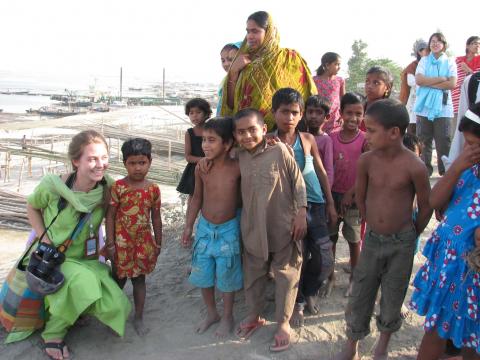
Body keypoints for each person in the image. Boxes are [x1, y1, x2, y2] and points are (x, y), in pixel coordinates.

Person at [335, 99, 432, 360]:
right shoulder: (366, 161)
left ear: (394, 133)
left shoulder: (415, 166)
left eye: (372, 130)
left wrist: (411, 233)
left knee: (393, 294)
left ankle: (382, 345)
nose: (366, 135)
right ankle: (352, 343)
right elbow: (362, 196)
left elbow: (426, 206)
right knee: (361, 293)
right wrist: (371, 225)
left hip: (402, 243)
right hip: (373, 240)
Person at [25, 130, 131, 360]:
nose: (99, 164)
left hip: (87, 259)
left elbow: (127, 208)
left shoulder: (108, 187)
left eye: (104, 157)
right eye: (92, 158)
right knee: (86, 283)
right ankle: (53, 334)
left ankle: (75, 309)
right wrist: (44, 237)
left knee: (119, 306)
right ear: (75, 161)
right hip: (56, 258)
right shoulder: (53, 186)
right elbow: (32, 207)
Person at [409, 103, 480, 360]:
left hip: (472, 272)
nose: (470, 150)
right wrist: (458, 166)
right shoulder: (469, 169)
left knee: (473, 335)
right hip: (449, 267)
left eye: (475, 144)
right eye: (468, 143)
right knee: (438, 328)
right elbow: (435, 201)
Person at [233, 108, 307, 352]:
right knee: (253, 274)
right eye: (241, 132)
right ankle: (254, 315)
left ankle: (284, 324)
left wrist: (301, 213)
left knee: (286, 275)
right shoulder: (238, 155)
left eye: (252, 130)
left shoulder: (279, 150)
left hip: (283, 225)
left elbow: (298, 182)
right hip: (253, 226)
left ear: (264, 129)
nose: (247, 136)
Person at [268, 88, 337, 328]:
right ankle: (296, 302)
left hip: (315, 204)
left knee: (324, 257)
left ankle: (309, 289)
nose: (289, 117)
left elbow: (320, 171)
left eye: (294, 112)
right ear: (274, 113)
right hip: (287, 208)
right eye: (284, 111)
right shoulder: (269, 142)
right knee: (296, 258)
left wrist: (330, 204)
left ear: (301, 115)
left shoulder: (307, 139)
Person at [181, 117, 243, 339]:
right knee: (202, 273)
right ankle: (212, 313)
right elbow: (197, 198)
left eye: (211, 140)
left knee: (227, 275)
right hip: (205, 229)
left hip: (229, 231)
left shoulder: (238, 168)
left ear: (227, 144)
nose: (205, 145)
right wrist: (189, 226)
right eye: (204, 140)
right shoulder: (201, 168)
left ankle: (227, 316)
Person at [220, 10, 316, 130]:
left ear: (269, 32)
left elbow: (304, 96)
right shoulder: (244, 60)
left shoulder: (290, 58)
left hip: (282, 134)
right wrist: (233, 72)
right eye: (248, 31)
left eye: (255, 31)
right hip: (248, 134)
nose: (249, 36)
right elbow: (230, 104)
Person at [105, 138, 162, 336]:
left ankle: (138, 317)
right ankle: (113, 316)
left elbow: (156, 216)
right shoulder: (118, 187)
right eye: (132, 163)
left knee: (139, 281)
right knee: (117, 281)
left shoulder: (153, 189)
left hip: (143, 243)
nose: (137, 168)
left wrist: (158, 242)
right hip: (120, 244)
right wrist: (110, 243)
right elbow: (110, 216)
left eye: (142, 163)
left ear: (150, 162)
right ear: (124, 164)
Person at [324, 93, 367, 298]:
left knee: (353, 240)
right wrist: (330, 199)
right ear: (340, 113)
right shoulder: (331, 139)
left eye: (358, 113)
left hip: (355, 199)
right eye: (349, 112)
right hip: (332, 197)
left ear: (364, 115)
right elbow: (326, 169)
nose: (353, 118)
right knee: (331, 239)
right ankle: (330, 276)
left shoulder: (365, 141)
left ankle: (354, 279)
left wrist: (351, 193)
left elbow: (366, 172)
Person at [414, 32, 457, 176]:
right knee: (423, 141)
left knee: (444, 142)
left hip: (443, 109)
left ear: (444, 45)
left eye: (438, 41)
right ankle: (424, 172)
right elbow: (419, 81)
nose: (435, 43)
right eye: (432, 41)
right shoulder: (424, 61)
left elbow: (452, 83)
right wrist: (441, 79)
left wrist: (429, 83)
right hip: (423, 108)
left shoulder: (450, 61)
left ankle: (445, 173)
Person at [177, 98, 212, 207]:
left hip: (212, 167)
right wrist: (203, 160)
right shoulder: (189, 133)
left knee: (210, 196)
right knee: (193, 197)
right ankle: (190, 222)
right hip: (195, 169)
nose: (194, 116)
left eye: (198, 112)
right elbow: (188, 157)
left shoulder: (213, 129)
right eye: (191, 113)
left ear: (206, 114)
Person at [399, 39, 429, 135]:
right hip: (415, 99)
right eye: (424, 50)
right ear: (419, 52)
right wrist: (428, 81)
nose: (427, 52)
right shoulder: (413, 66)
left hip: (429, 100)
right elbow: (410, 81)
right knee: (413, 129)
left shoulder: (432, 64)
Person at [451, 36, 480, 132]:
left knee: (473, 133)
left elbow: (477, 80)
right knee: (455, 132)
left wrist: (469, 71)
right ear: (467, 46)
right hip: (457, 102)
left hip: (475, 103)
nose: (477, 45)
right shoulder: (457, 61)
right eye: (474, 43)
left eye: (479, 44)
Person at [312, 52, 345, 134]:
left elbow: (343, 99)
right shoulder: (315, 80)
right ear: (327, 65)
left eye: (339, 64)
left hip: (335, 120)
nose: (339, 67)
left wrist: (343, 116)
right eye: (336, 64)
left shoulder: (340, 80)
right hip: (319, 117)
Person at [305, 95, 334, 187]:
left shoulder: (326, 140)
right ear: (304, 114)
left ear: (327, 117)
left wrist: (327, 192)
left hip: (318, 189)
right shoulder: (300, 135)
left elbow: (328, 169)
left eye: (319, 113)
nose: (313, 116)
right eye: (310, 112)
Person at [217, 43, 241, 115]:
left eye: (230, 59)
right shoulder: (225, 80)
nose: (226, 64)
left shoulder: (245, 79)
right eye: (223, 60)